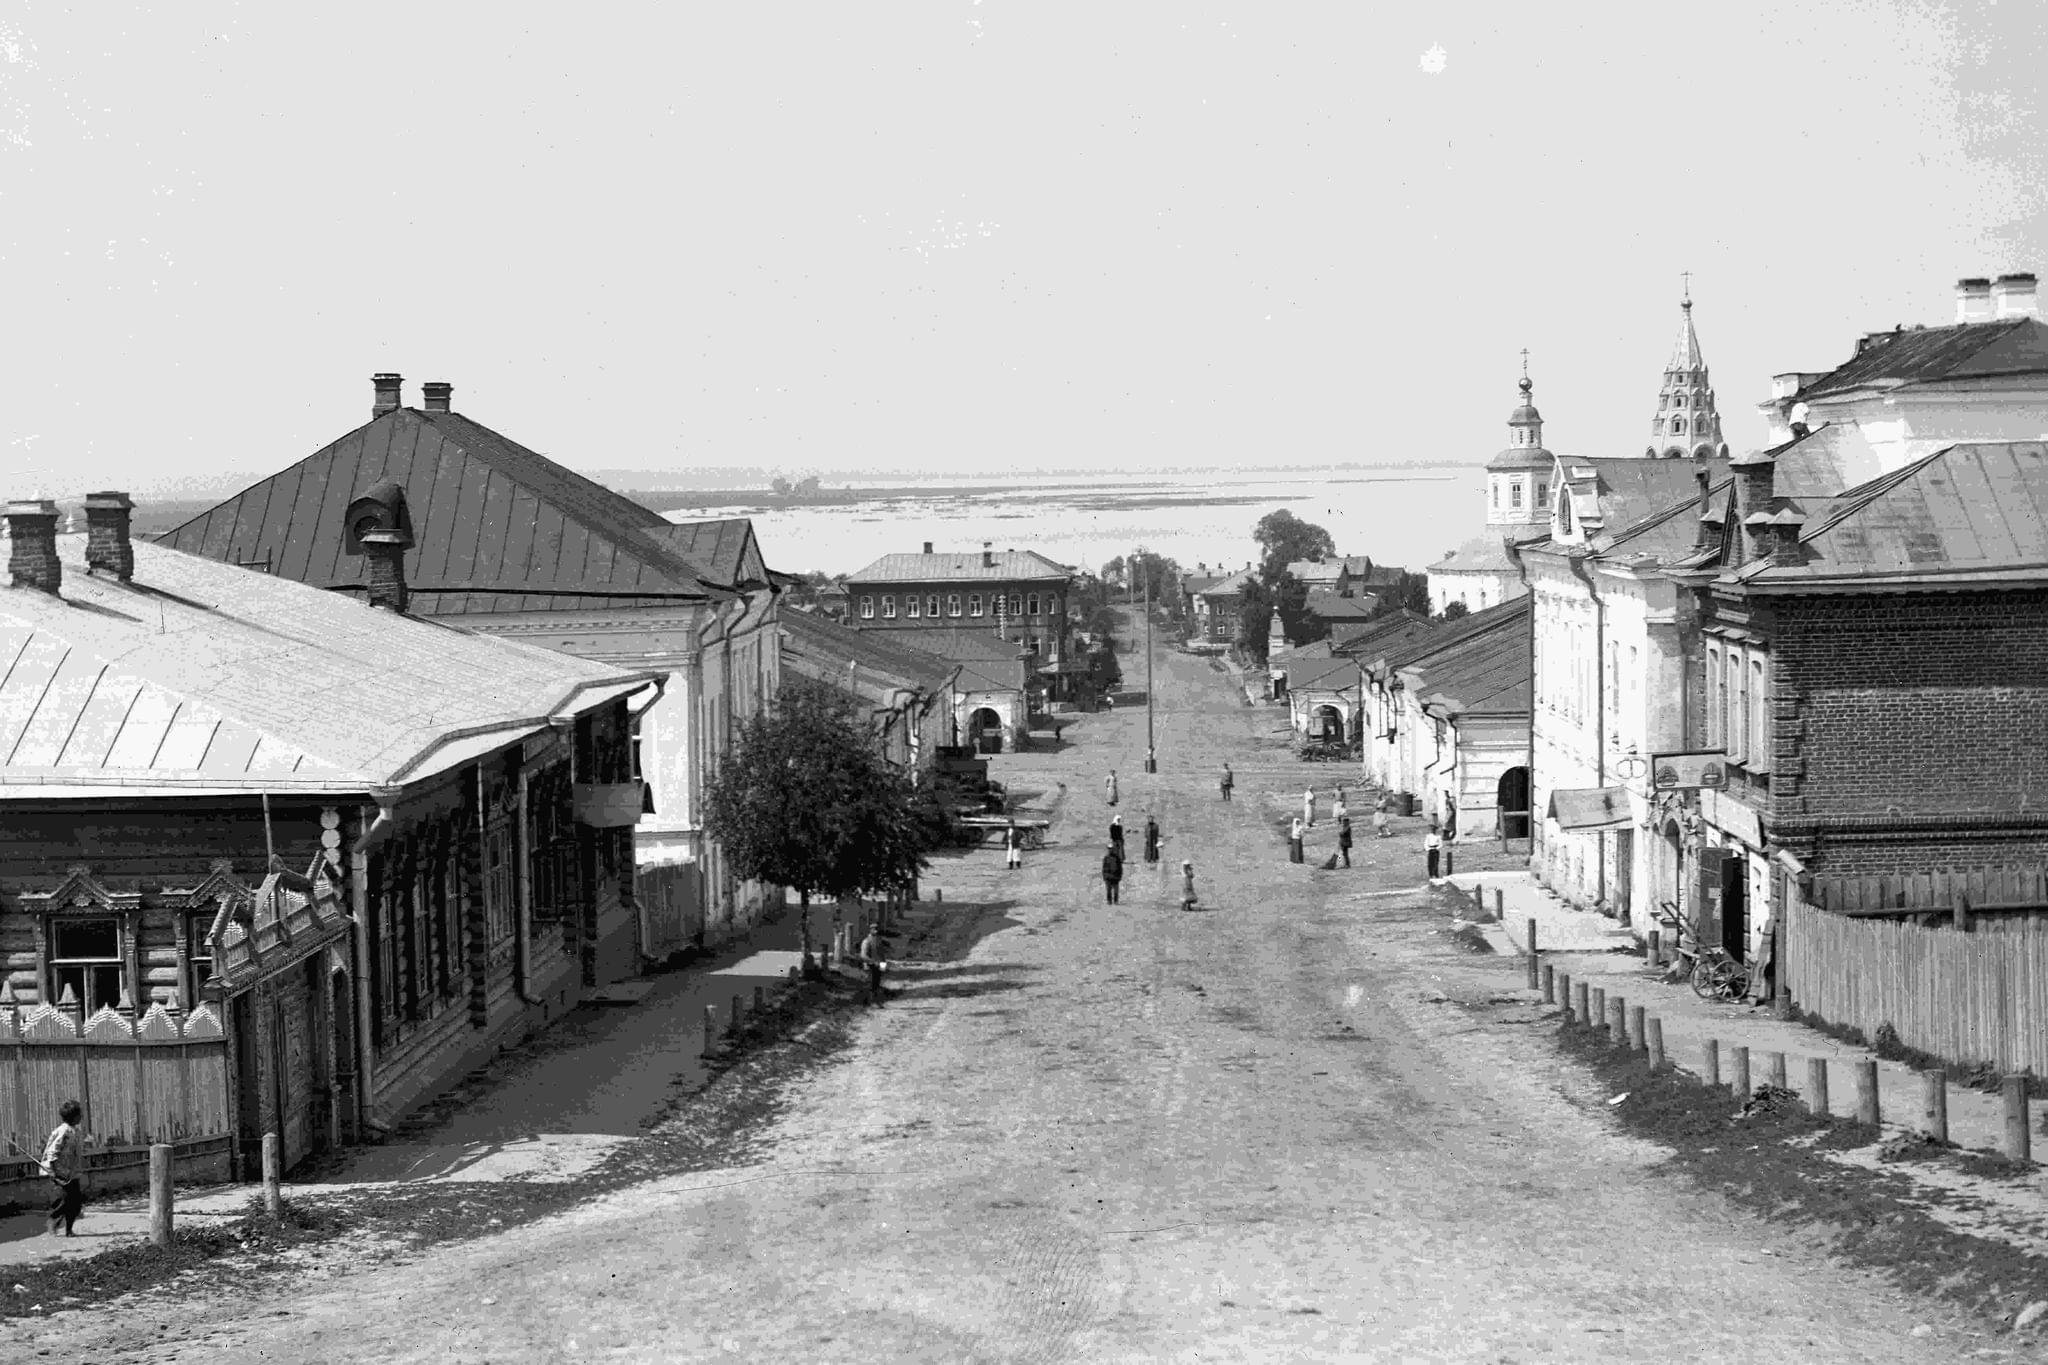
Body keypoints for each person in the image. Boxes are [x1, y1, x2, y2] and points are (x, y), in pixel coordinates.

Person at [40, 1099, 84, 1238]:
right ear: (74, 1116)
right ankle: (53, 1220)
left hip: (72, 1172)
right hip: (59, 1172)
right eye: (79, 1114)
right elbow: (52, 1152)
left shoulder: (75, 1131)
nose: (81, 1117)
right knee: (64, 1200)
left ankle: (69, 1229)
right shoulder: (63, 1132)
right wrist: (53, 1171)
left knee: (76, 1202)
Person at [859, 922, 887, 1006]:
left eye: (877, 929)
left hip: (878, 966)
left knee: (877, 984)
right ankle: (868, 1002)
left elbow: (881, 954)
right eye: (874, 929)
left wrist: (883, 965)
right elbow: (863, 955)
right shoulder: (866, 941)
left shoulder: (879, 940)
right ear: (870, 930)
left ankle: (876, 1001)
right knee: (870, 984)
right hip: (870, 966)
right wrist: (873, 962)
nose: (876, 931)